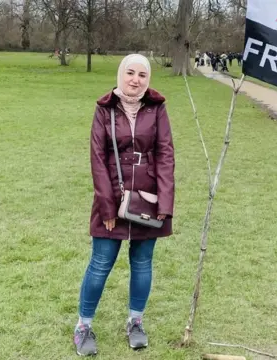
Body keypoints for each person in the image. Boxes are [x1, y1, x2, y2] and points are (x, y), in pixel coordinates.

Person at [74, 53, 175, 356]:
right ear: (120, 76)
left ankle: (135, 322)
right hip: (112, 198)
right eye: (130, 73)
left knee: (142, 264)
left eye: (142, 75)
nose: (135, 80)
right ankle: (83, 326)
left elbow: (166, 154)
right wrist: (107, 207)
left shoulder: (157, 108)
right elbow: (97, 159)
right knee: (101, 263)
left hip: (148, 199)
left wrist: (165, 202)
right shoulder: (104, 109)